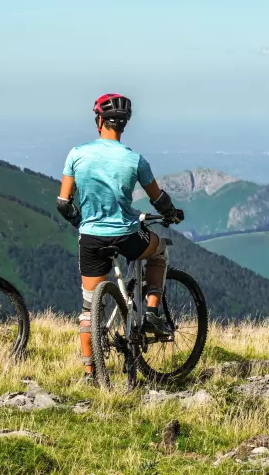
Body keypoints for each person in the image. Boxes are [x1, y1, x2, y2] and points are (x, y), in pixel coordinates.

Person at [57, 94, 184, 381]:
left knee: (89, 309)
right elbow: (159, 199)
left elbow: (63, 203)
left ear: (99, 121)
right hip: (127, 235)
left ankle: (90, 372)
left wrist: (82, 223)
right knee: (159, 250)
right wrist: (172, 213)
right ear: (123, 126)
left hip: (90, 239)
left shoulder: (76, 153)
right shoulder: (134, 160)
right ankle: (151, 313)